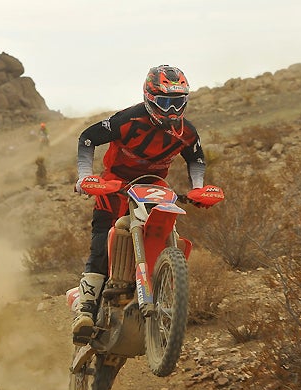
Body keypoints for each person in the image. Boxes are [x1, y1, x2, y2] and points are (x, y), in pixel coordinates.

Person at [71, 65, 207, 345]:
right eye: (165, 103)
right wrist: (85, 176)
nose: (171, 111)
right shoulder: (128, 120)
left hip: (154, 186)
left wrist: (197, 189)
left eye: (177, 103)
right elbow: (87, 137)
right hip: (115, 184)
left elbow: (196, 159)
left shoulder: (187, 132)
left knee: (171, 224)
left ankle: (167, 285)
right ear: (149, 98)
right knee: (102, 242)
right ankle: (84, 310)